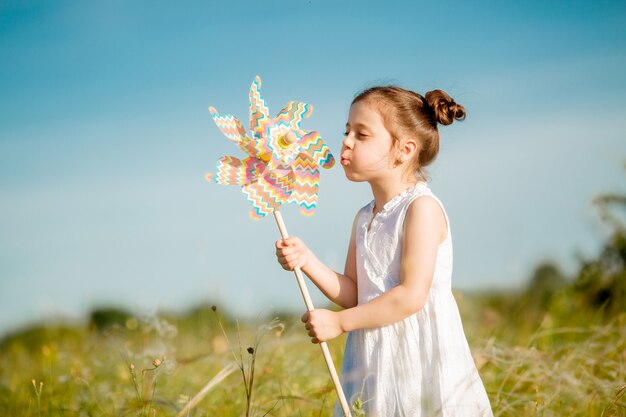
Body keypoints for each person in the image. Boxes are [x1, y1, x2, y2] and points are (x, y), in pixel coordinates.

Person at [275, 85, 493, 417]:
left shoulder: (421, 208)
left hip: (417, 357)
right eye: (347, 131)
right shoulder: (364, 217)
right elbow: (356, 294)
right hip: (374, 359)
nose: (346, 141)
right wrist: (307, 261)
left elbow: (410, 296)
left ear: (403, 149)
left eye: (362, 134)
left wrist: (341, 324)